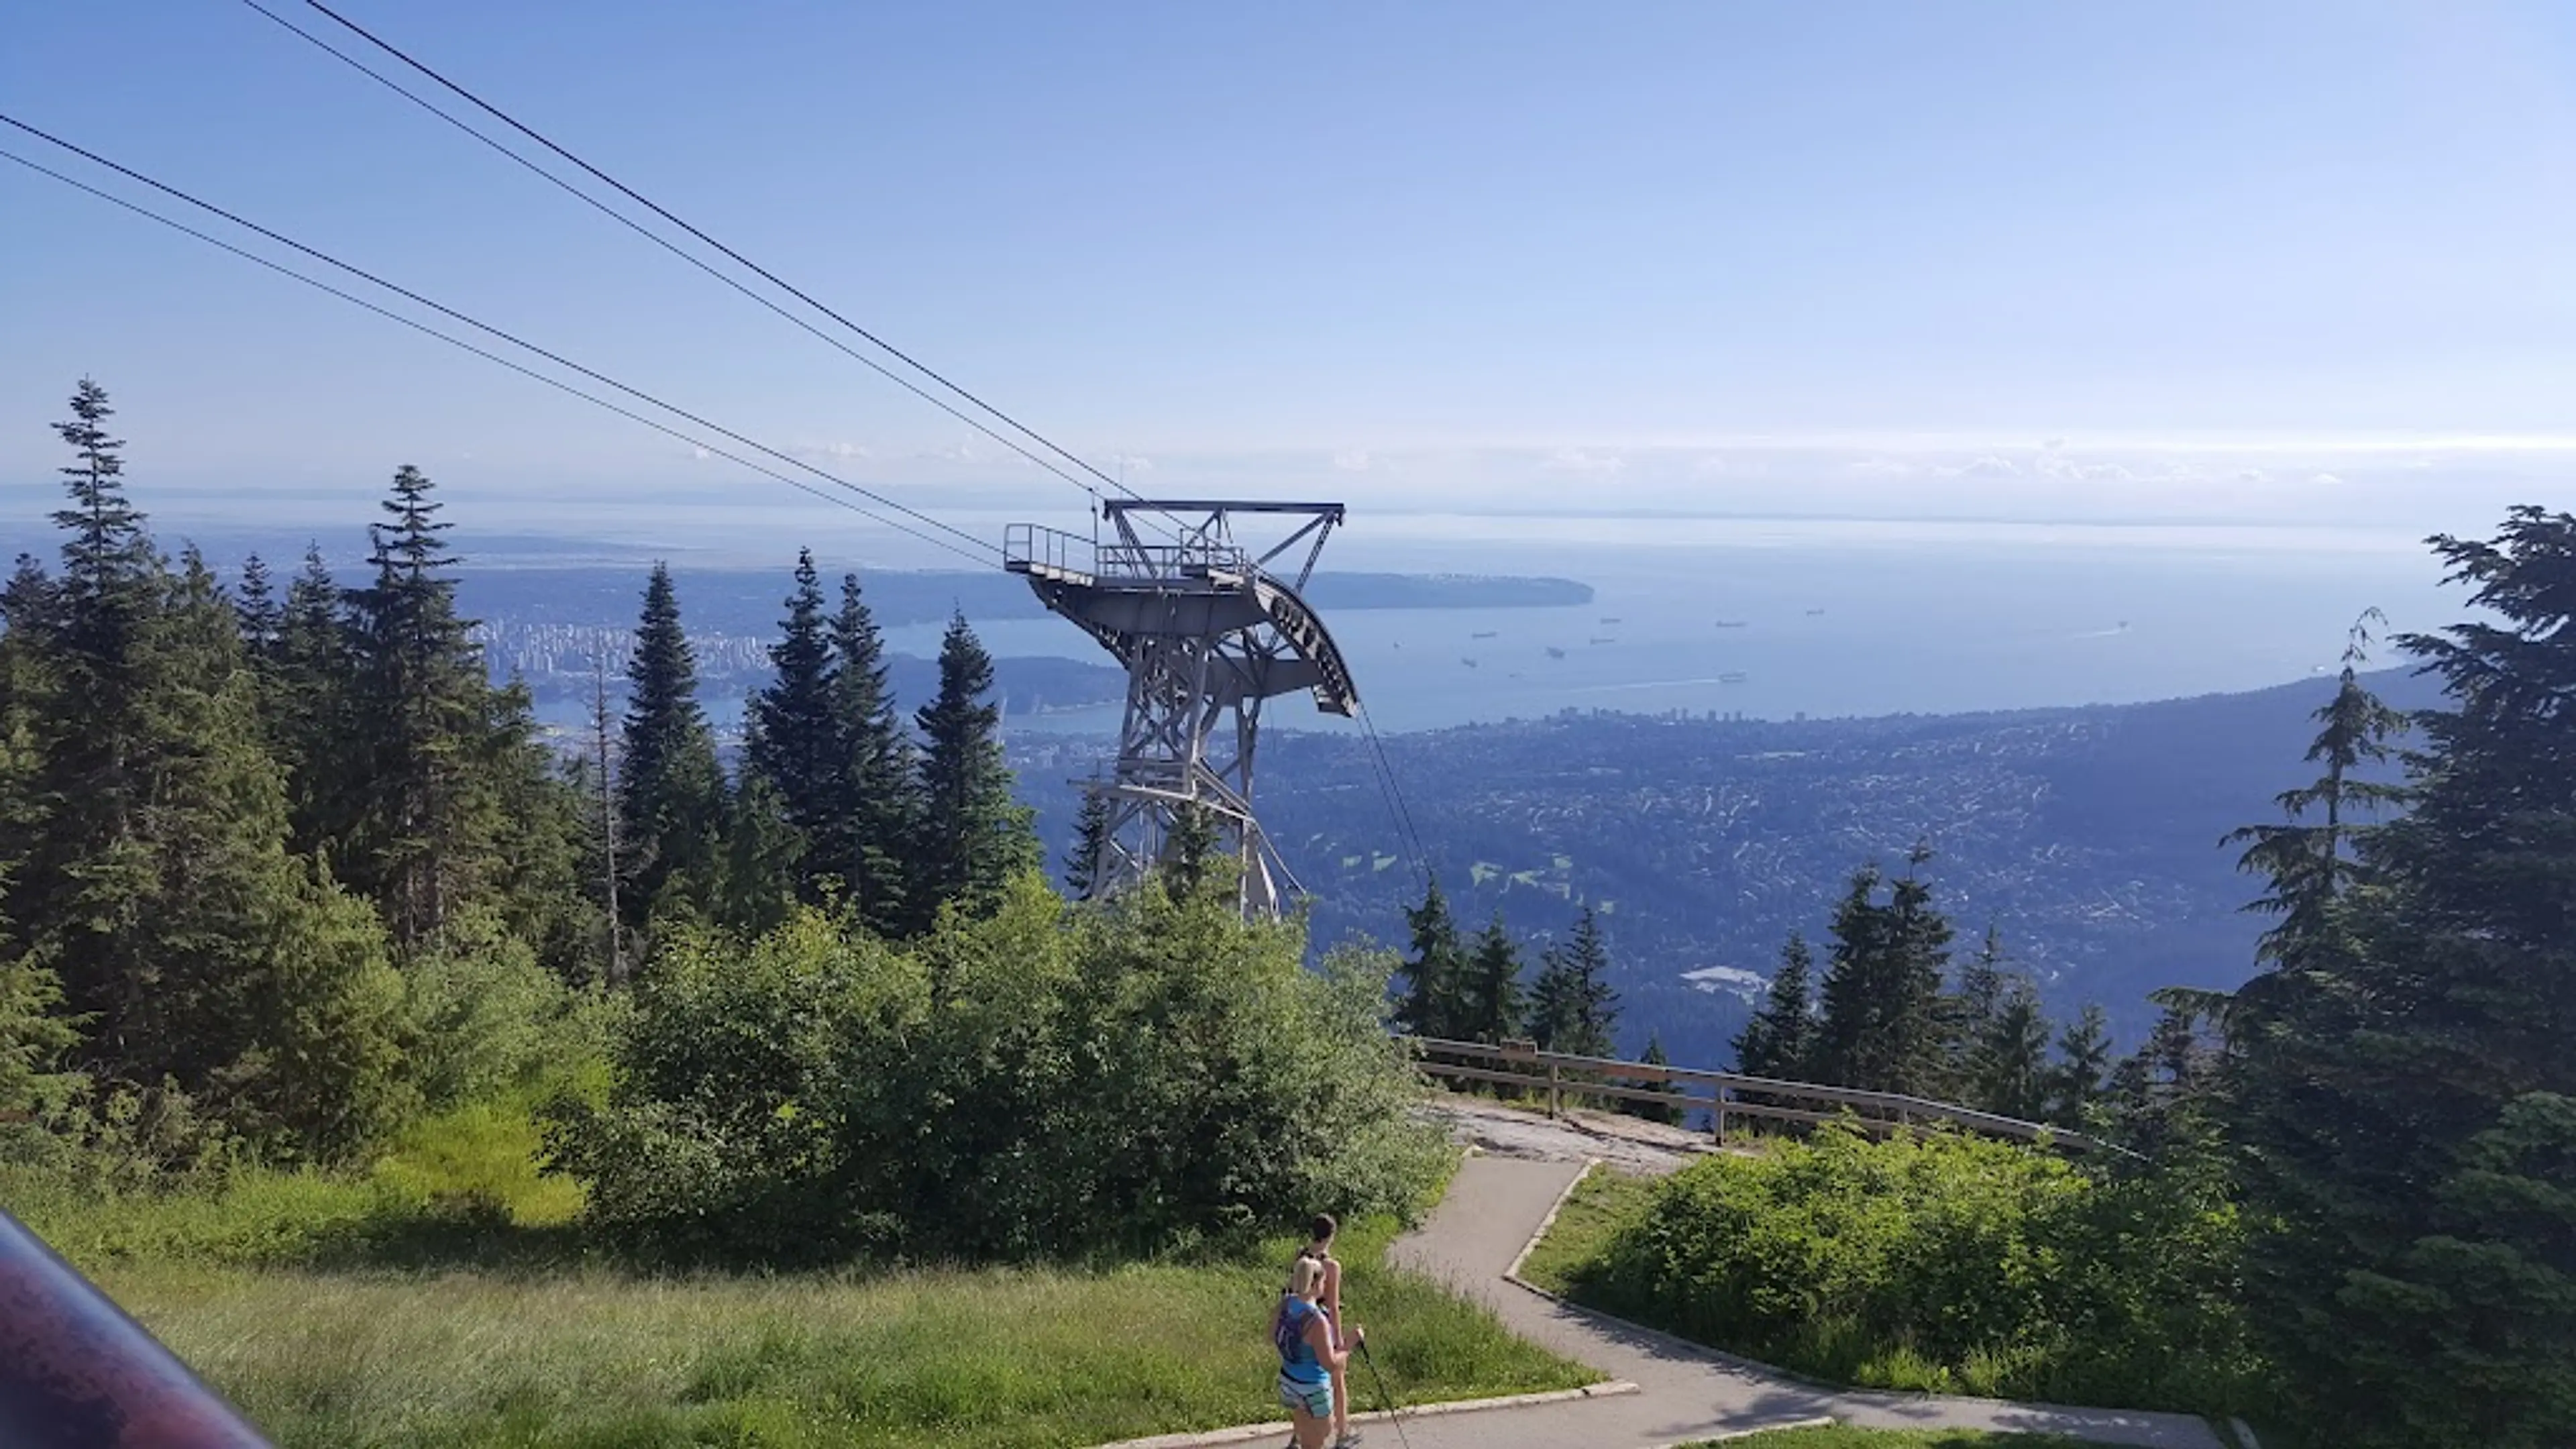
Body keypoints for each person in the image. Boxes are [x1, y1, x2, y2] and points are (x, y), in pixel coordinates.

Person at [1273, 1253, 1358, 1449]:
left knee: (1304, 1434)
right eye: (1323, 1282)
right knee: (1319, 1439)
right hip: (1313, 1387)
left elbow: (1271, 1335)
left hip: (1289, 1381)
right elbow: (1329, 1364)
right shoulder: (1317, 1320)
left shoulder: (1286, 1304)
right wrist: (1348, 1345)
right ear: (1315, 1284)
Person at [1299, 1214, 1356, 1446]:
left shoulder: (1301, 1257)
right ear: (1332, 1235)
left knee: (1306, 1376)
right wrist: (1340, 1340)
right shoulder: (1331, 1265)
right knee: (1337, 1377)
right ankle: (1342, 1432)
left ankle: (1299, 1433)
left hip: (1302, 1323)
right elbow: (1333, 1305)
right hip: (1323, 1323)